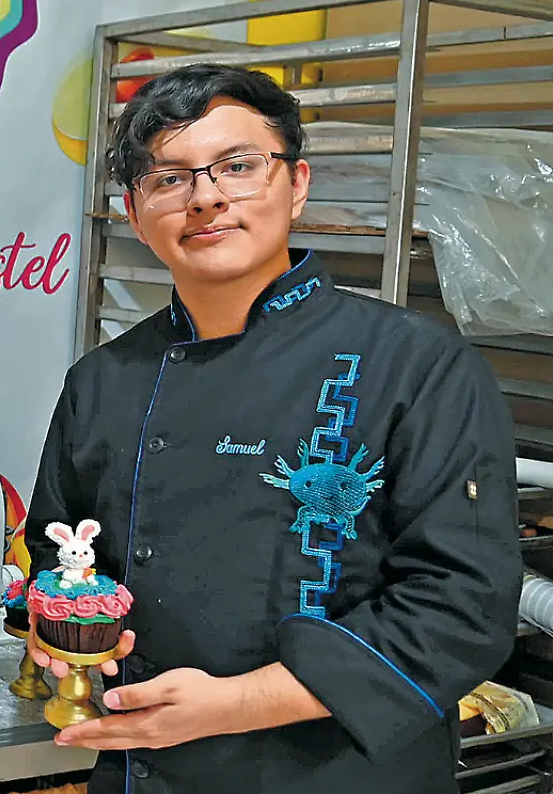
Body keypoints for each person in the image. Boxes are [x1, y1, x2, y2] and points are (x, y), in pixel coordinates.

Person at [26, 64, 520, 792]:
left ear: (297, 184)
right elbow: (57, 547)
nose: (206, 197)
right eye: (170, 179)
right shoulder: (103, 380)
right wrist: (57, 627)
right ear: (134, 213)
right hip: (145, 769)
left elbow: (461, 608)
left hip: (340, 774)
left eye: (237, 166)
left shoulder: (416, 364)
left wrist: (231, 706)